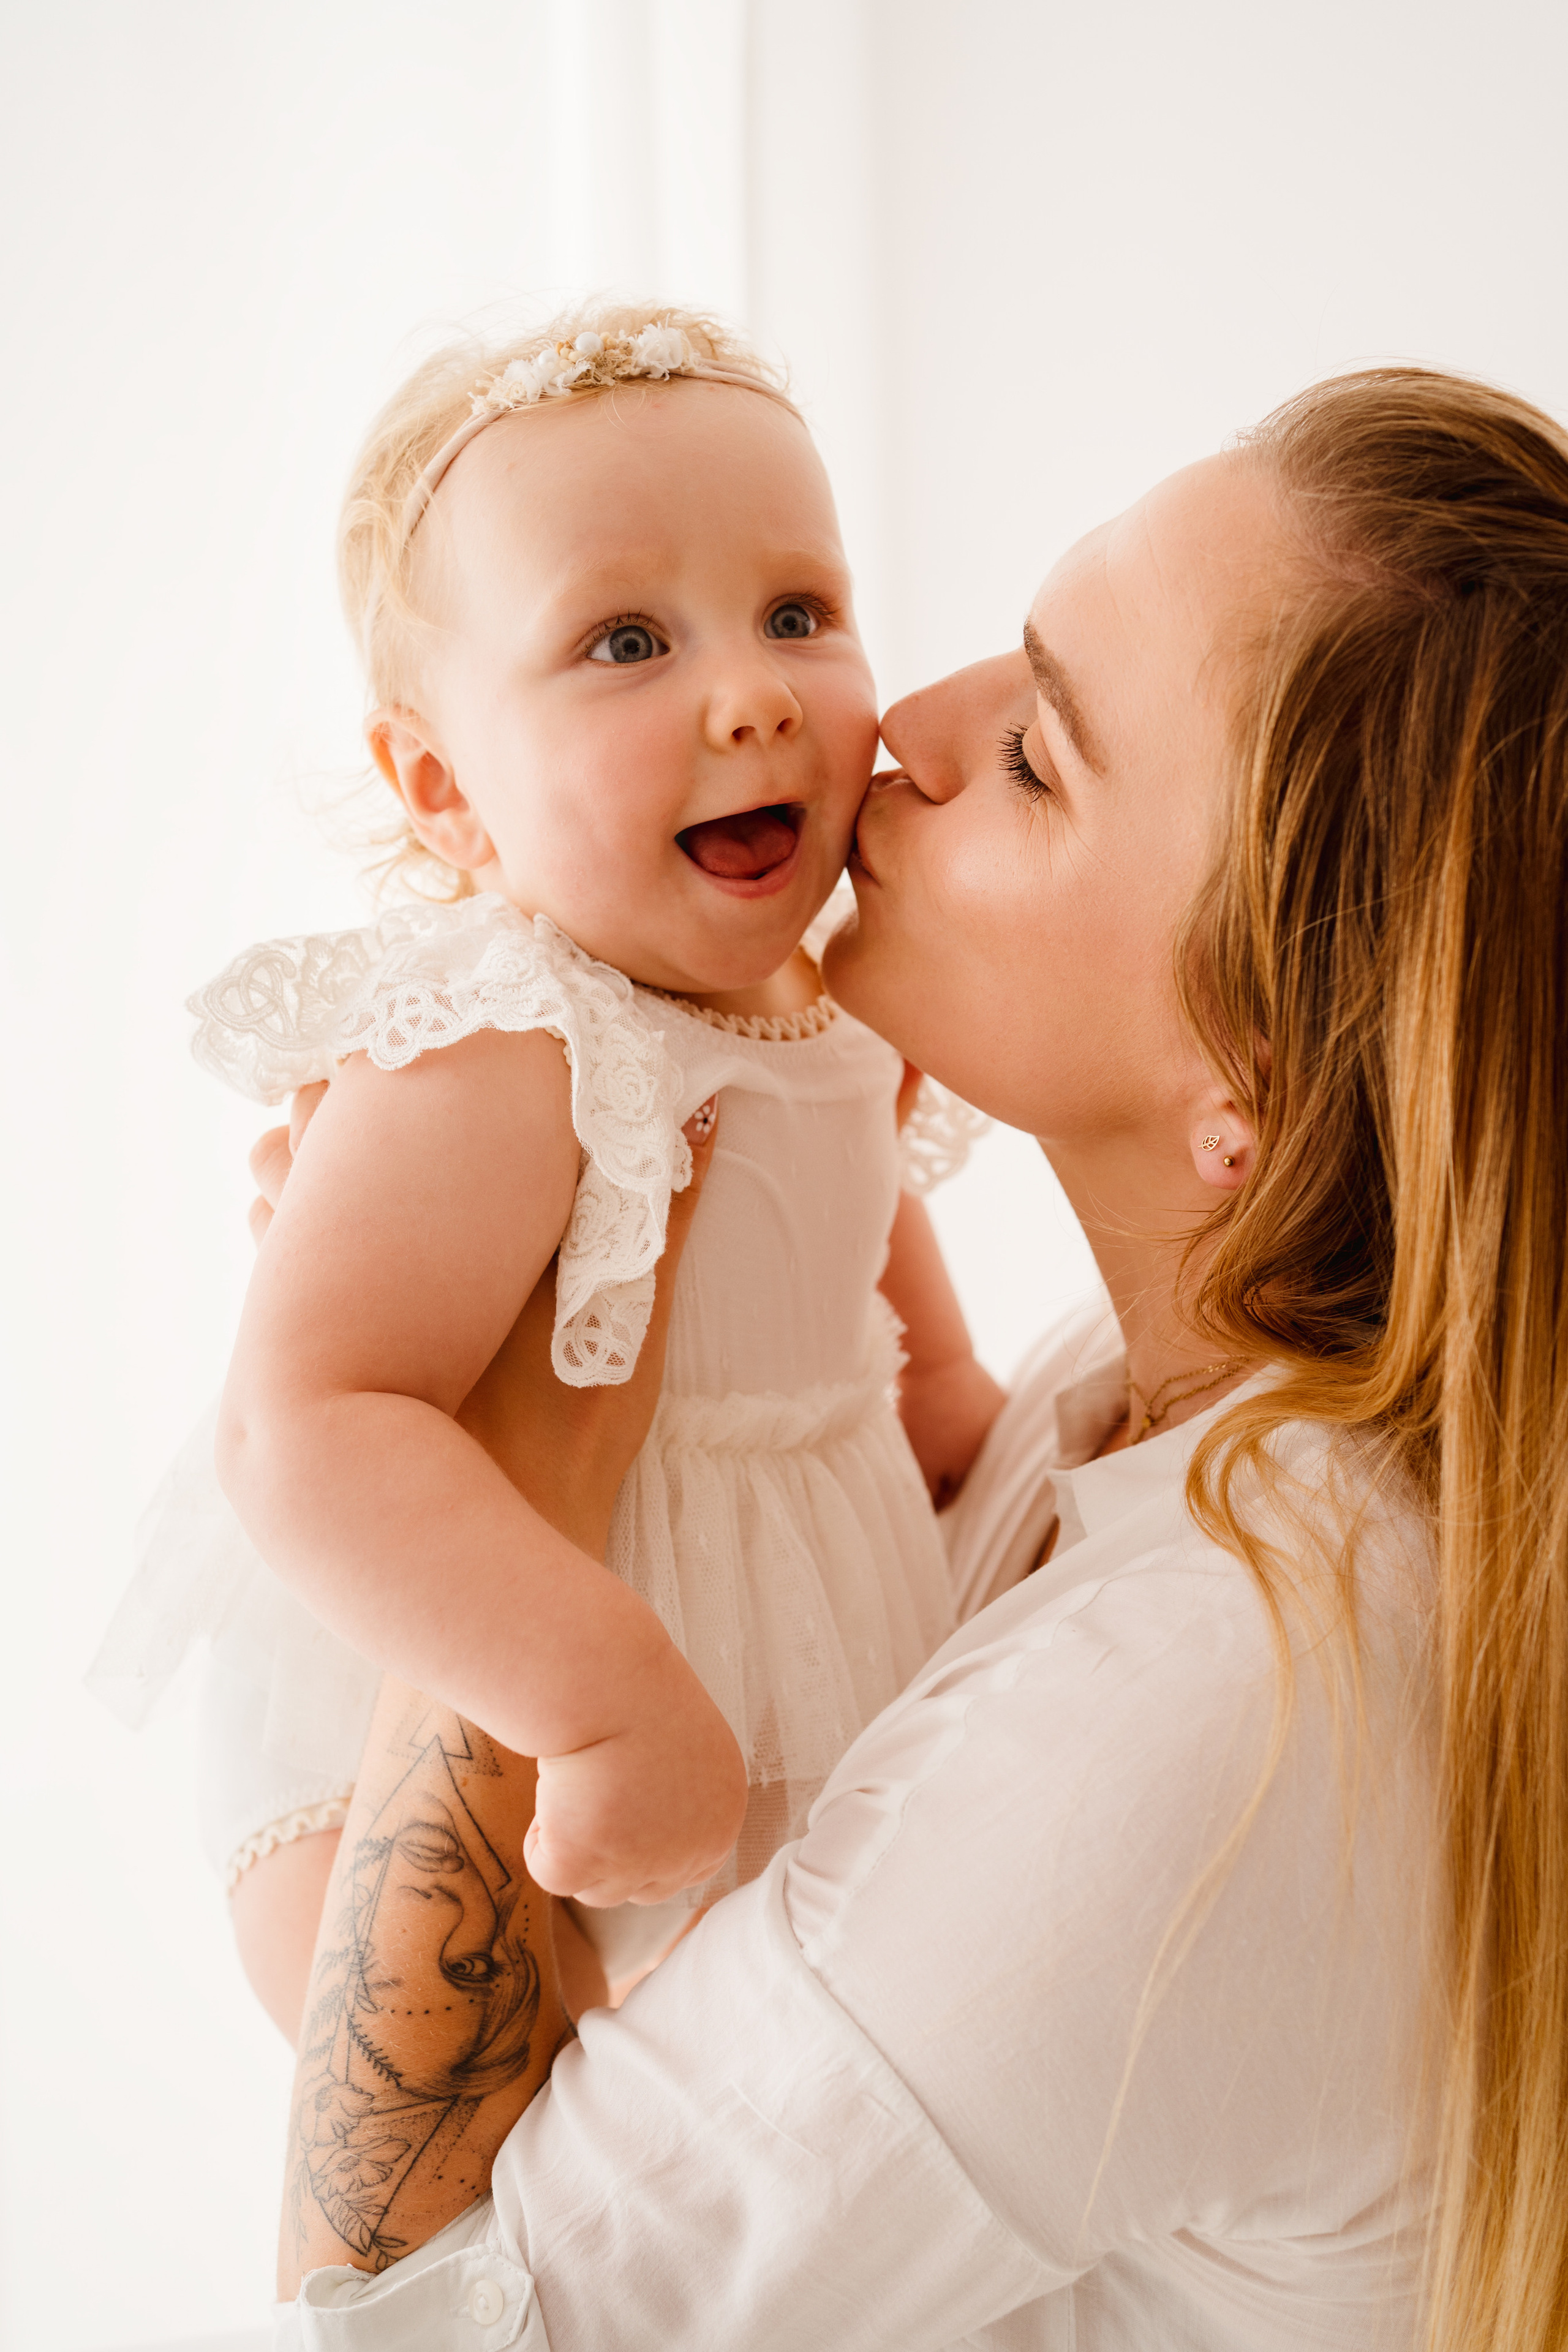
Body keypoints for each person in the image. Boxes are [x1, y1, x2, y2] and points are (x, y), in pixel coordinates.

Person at [262, 363, 1568, 2350]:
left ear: (1259, 1079)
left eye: (1042, 753)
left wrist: (513, 1463)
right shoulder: (1117, 1414)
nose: (903, 723)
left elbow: (396, 2328)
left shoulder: (1208, 1714)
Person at [90, 303, 1001, 2039]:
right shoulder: (506, 1037)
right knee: (541, 2169)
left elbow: (891, 1297)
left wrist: (969, 1431)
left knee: (775, 2145)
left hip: (798, 1619)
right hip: (472, 1689)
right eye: (626, 640)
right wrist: (598, 1703)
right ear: (444, 791)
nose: (751, 695)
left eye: (797, 612)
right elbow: (308, 1419)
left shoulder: (831, 994)